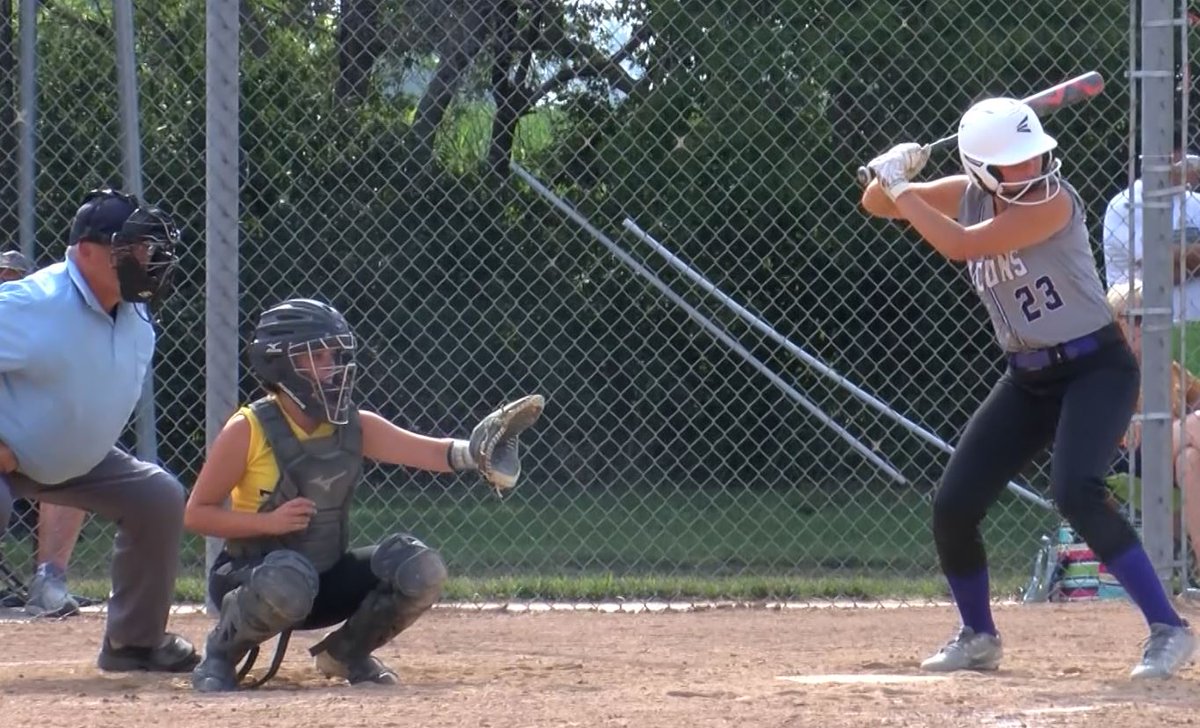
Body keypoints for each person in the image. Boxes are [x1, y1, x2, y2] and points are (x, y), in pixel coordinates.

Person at [861, 96, 1196, 679]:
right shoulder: (966, 194)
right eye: (1014, 161)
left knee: (1076, 490)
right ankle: (978, 635)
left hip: (1096, 367)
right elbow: (875, 202)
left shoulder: (1053, 201)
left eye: (1034, 154)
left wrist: (904, 188)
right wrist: (894, 169)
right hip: (1028, 377)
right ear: (982, 170)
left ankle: (1169, 629)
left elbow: (961, 245)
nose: (1032, 166)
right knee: (954, 505)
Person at [184, 298, 544, 692]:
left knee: (418, 567)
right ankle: (220, 654)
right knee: (288, 576)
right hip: (249, 576)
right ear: (279, 363)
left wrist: (476, 452)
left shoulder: (355, 426)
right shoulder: (248, 429)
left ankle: (345, 652)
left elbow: (431, 452)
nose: (331, 368)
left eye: (334, 356)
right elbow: (196, 514)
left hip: (320, 581)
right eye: (315, 356)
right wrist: (266, 523)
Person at [0, 188, 199, 672]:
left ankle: (133, 643)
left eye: (148, 248)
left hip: (78, 463)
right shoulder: (34, 303)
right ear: (85, 251)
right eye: (130, 248)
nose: (145, 259)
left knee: (158, 498)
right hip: (9, 458)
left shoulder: (136, 316)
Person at [0, 248, 92, 617]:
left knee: (71, 455)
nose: (7, 284)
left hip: (26, 447)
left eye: (15, 279)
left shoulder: (42, 331)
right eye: (2, 277)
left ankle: (49, 580)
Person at [1106, 281, 1200, 578]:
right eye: (1135, 318)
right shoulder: (1109, 369)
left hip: (1173, 451)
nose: (1144, 326)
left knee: (1190, 460)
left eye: (1152, 318)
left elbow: (1196, 399)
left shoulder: (1167, 367)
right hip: (1133, 455)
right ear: (1114, 323)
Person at [1101, 121, 1200, 375]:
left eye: (1184, 163)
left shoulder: (1195, 202)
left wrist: (1182, 259)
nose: (1183, 171)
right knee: (1161, 409)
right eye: (1174, 165)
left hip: (1195, 326)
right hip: (1143, 330)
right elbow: (1158, 270)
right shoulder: (1126, 206)